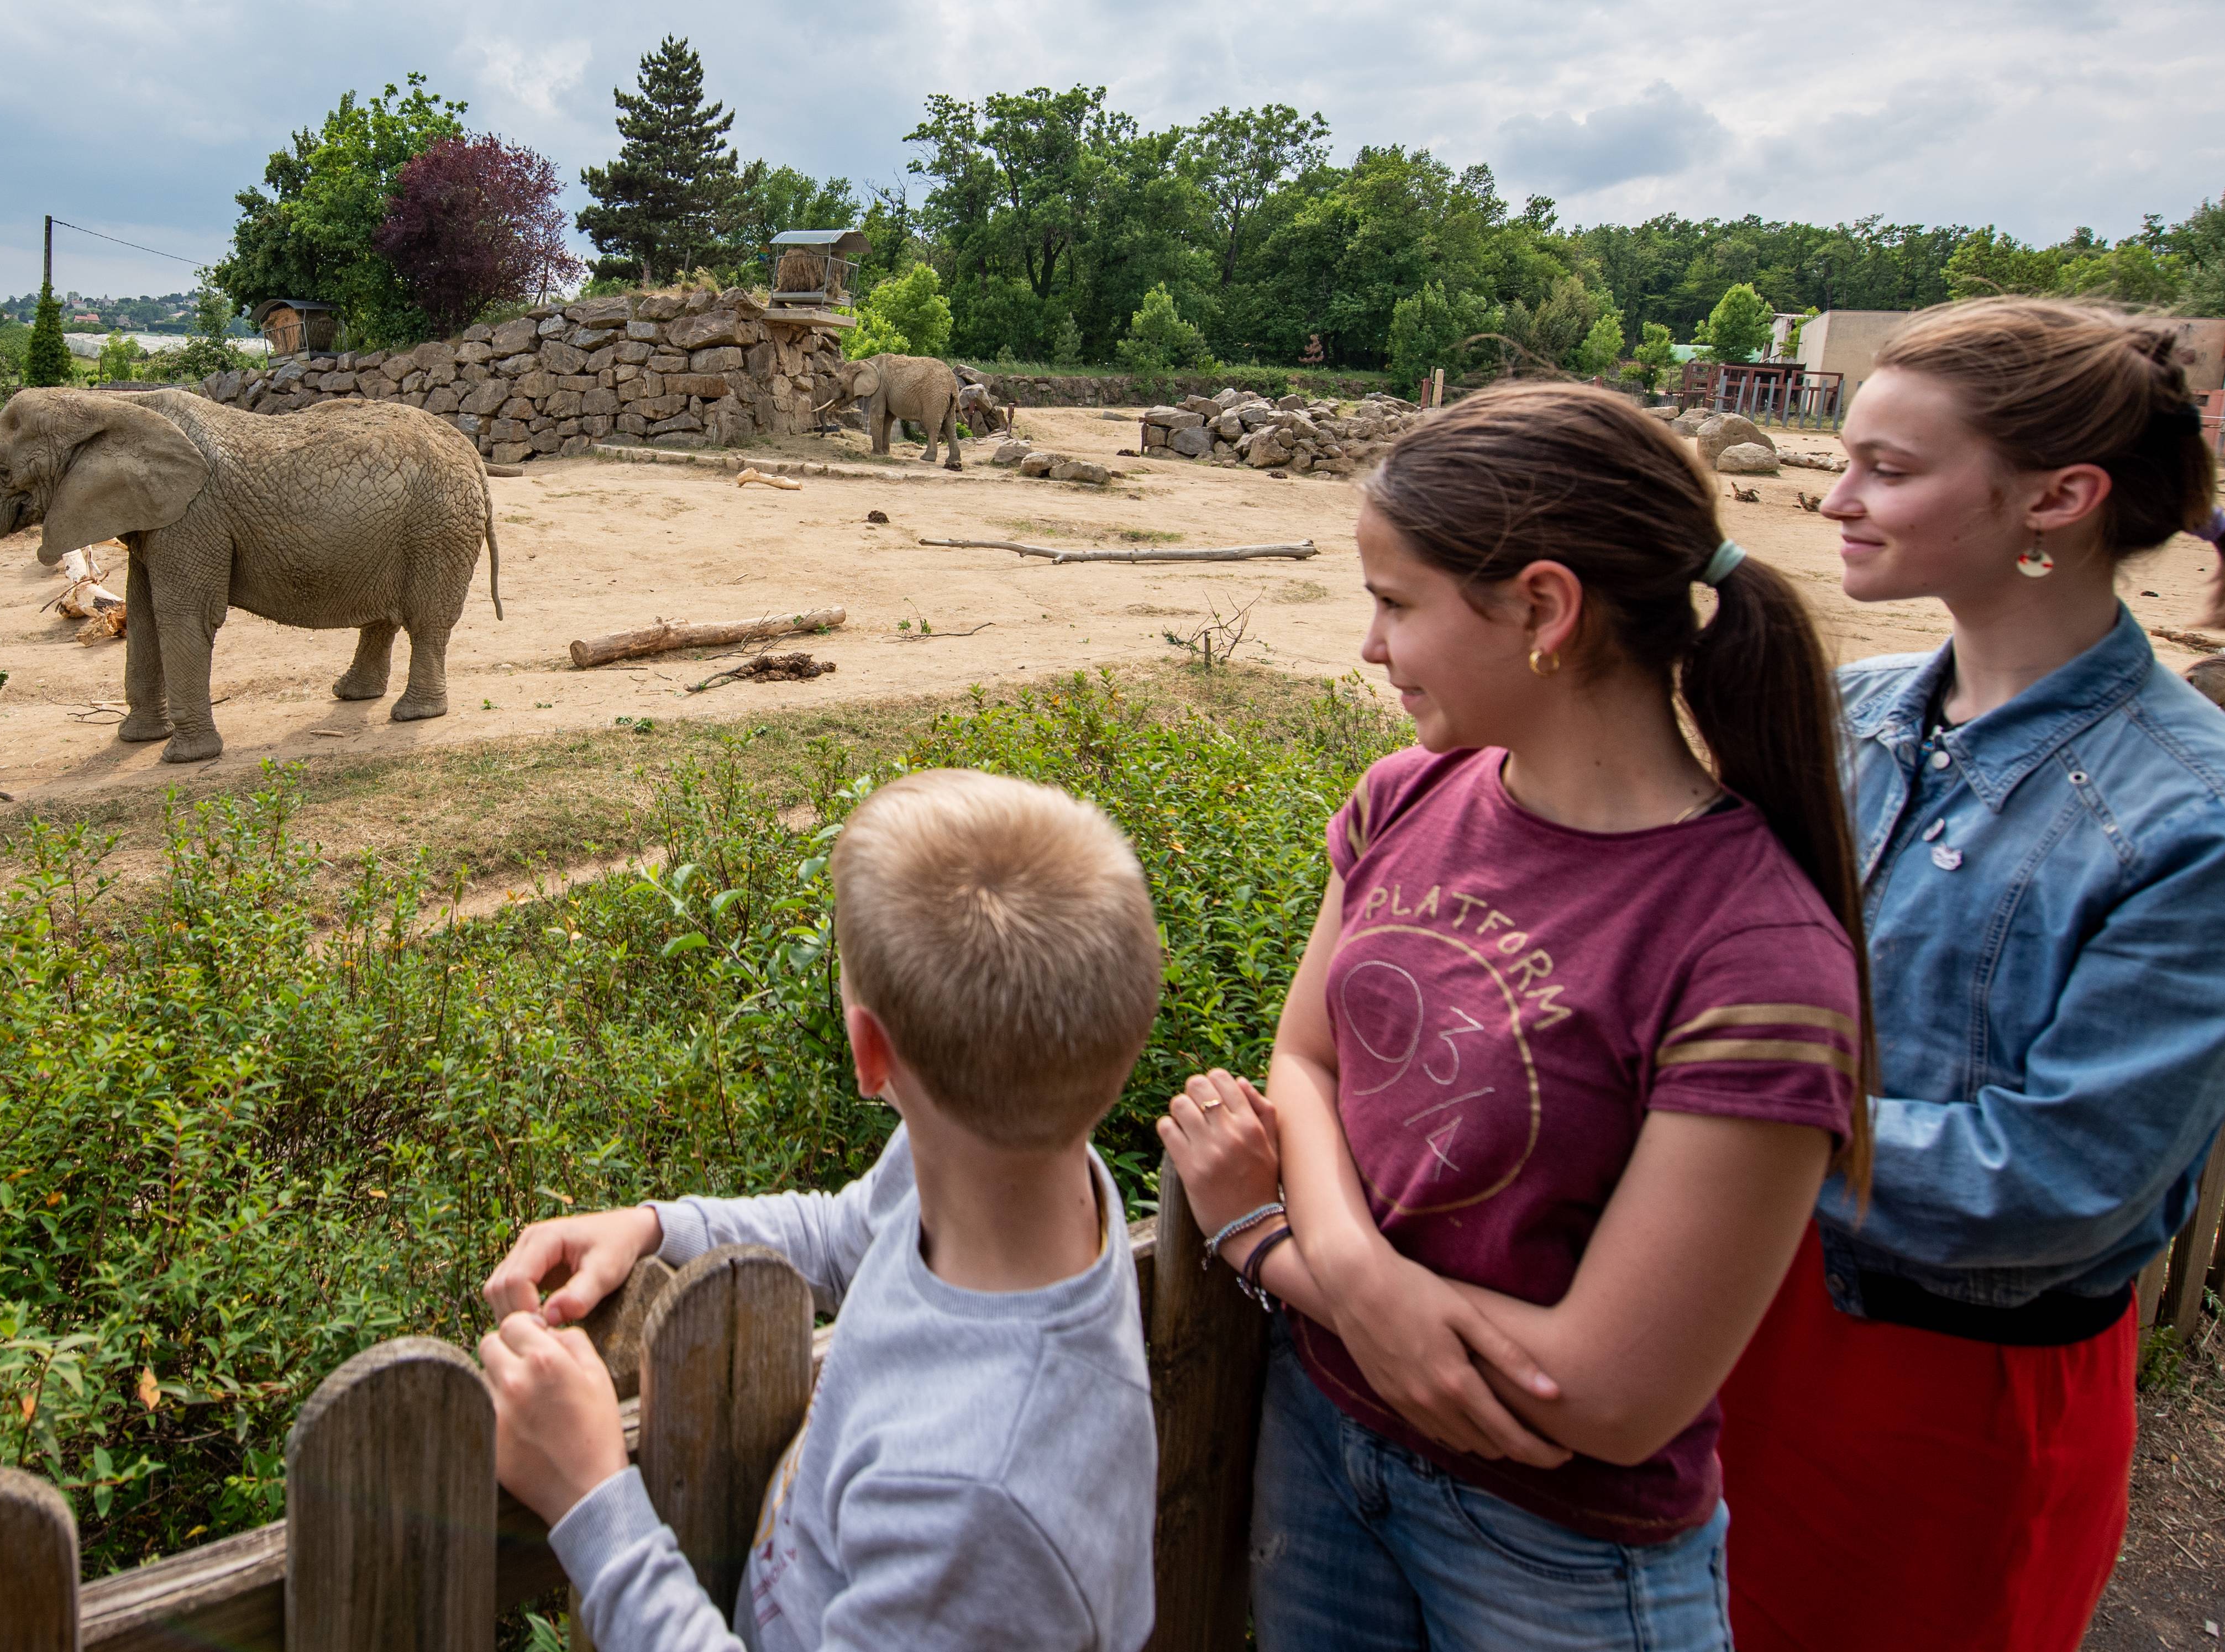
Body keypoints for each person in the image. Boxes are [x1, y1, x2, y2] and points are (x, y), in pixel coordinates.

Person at [1162, 381, 1871, 1651]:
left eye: (1393, 602)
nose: (1368, 646)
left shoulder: (1755, 958)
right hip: (1326, 1450)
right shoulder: (1404, 795)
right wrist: (1363, 1279)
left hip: (1558, 1557)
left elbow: (1601, 1397)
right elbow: (1308, 1054)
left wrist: (1275, 1254)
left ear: (1543, 609)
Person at [1718, 299, 2225, 1652]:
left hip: (1944, 1403)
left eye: (1888, 465)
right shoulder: (1854, 713)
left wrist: (1698, 1129)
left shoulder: (2218, 828)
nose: (1832, 495)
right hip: (1721, 1324)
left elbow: (2049, 1183)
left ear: (2056, 498)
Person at [475, 767, 1166, 1652]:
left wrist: (594, 1503)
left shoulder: (981, 1502)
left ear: (869, 1055)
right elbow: (847, 1234)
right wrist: (660, 1226)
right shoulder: (1003, 1172)